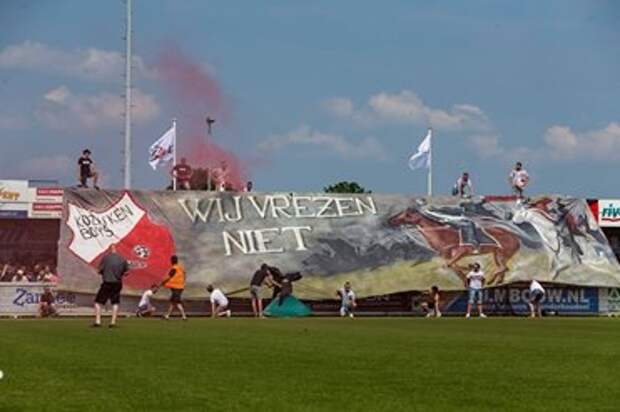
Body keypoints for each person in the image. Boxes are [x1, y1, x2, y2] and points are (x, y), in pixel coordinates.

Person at [93, 244, 130, 328]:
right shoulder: (122, 259)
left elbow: (99, 271)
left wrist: (104, 273)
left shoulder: (105, 258)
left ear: (109, 249)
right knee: (115, 302)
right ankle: (113, 322)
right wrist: (120, 274)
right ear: (116, 249)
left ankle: (98, 321)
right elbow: (127, 272)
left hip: (107, 282)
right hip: (117, 283)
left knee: (98, 302)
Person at [160, 255, 187, 320]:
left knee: (176, 303)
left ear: (172, 261)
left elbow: (169, 277)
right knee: (174, 302)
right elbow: (184, 275)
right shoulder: (180, 268)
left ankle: (183, 316)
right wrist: (183, 282)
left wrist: (163, 282)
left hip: (176, 287)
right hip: (180, 287)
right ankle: (168, 316)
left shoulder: (174, 268)